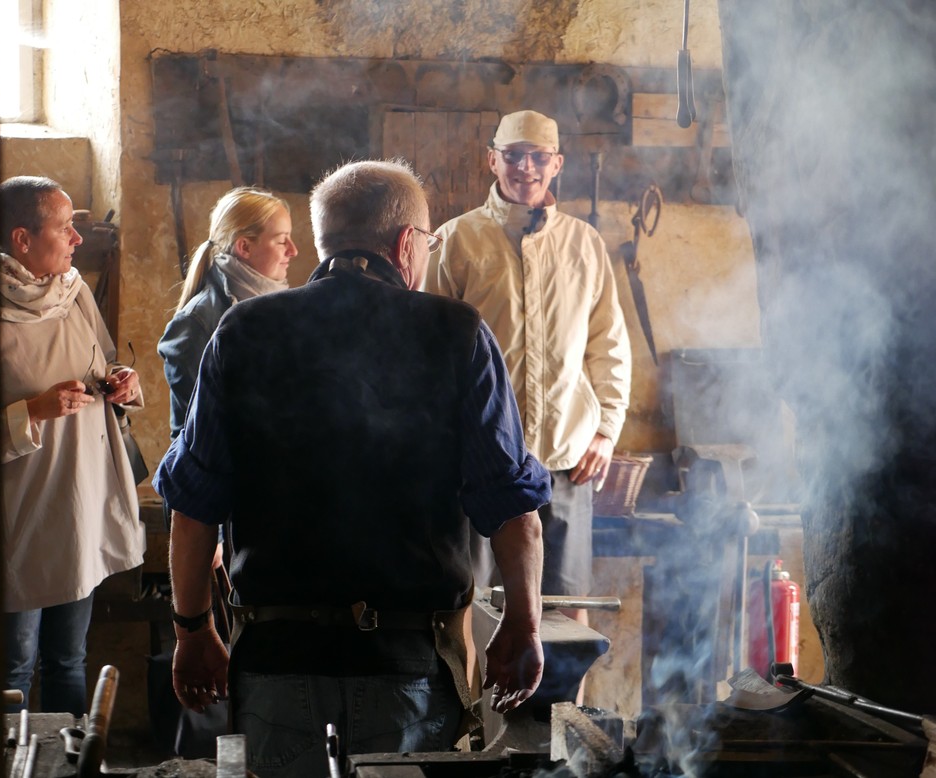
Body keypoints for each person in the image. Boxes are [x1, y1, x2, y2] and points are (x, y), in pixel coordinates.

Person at [153, 159, 550, 777]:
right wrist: (523, 623)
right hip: (408, 674)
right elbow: (512, 509)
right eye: (429, 241)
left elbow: (193, 506)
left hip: (276, 667)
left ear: (323, 240)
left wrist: (192, 629)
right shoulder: (456, 334)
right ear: (404, 244)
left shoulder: (243, 332)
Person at [425, 110, 632, 625]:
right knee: (472, 610)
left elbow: (609, 343)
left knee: (566, 607)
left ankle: (567, 712)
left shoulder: (584, 244)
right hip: (476, 464)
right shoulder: (455, 241)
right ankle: (479, 710)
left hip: (565, 461)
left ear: (557, 163)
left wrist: (605, 430)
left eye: (539, 156)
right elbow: (426, 353)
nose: (526, 167)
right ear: (492, 160)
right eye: (513, 155)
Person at [0, 175, 146, 715]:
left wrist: (125, 383)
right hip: (21, 513)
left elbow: (104, 365)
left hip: (79, 502)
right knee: (13, 664)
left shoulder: (75, 291)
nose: (77, 239)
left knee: (68, 658)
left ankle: (74, 768)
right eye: (65, 228)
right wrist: (34, 411)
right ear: (22, 239)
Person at [158, 186, 297, 442]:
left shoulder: (283, 308)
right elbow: (196, 431)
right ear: (244, 246)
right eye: (281, 240)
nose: (293, 250)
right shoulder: (197, 322)